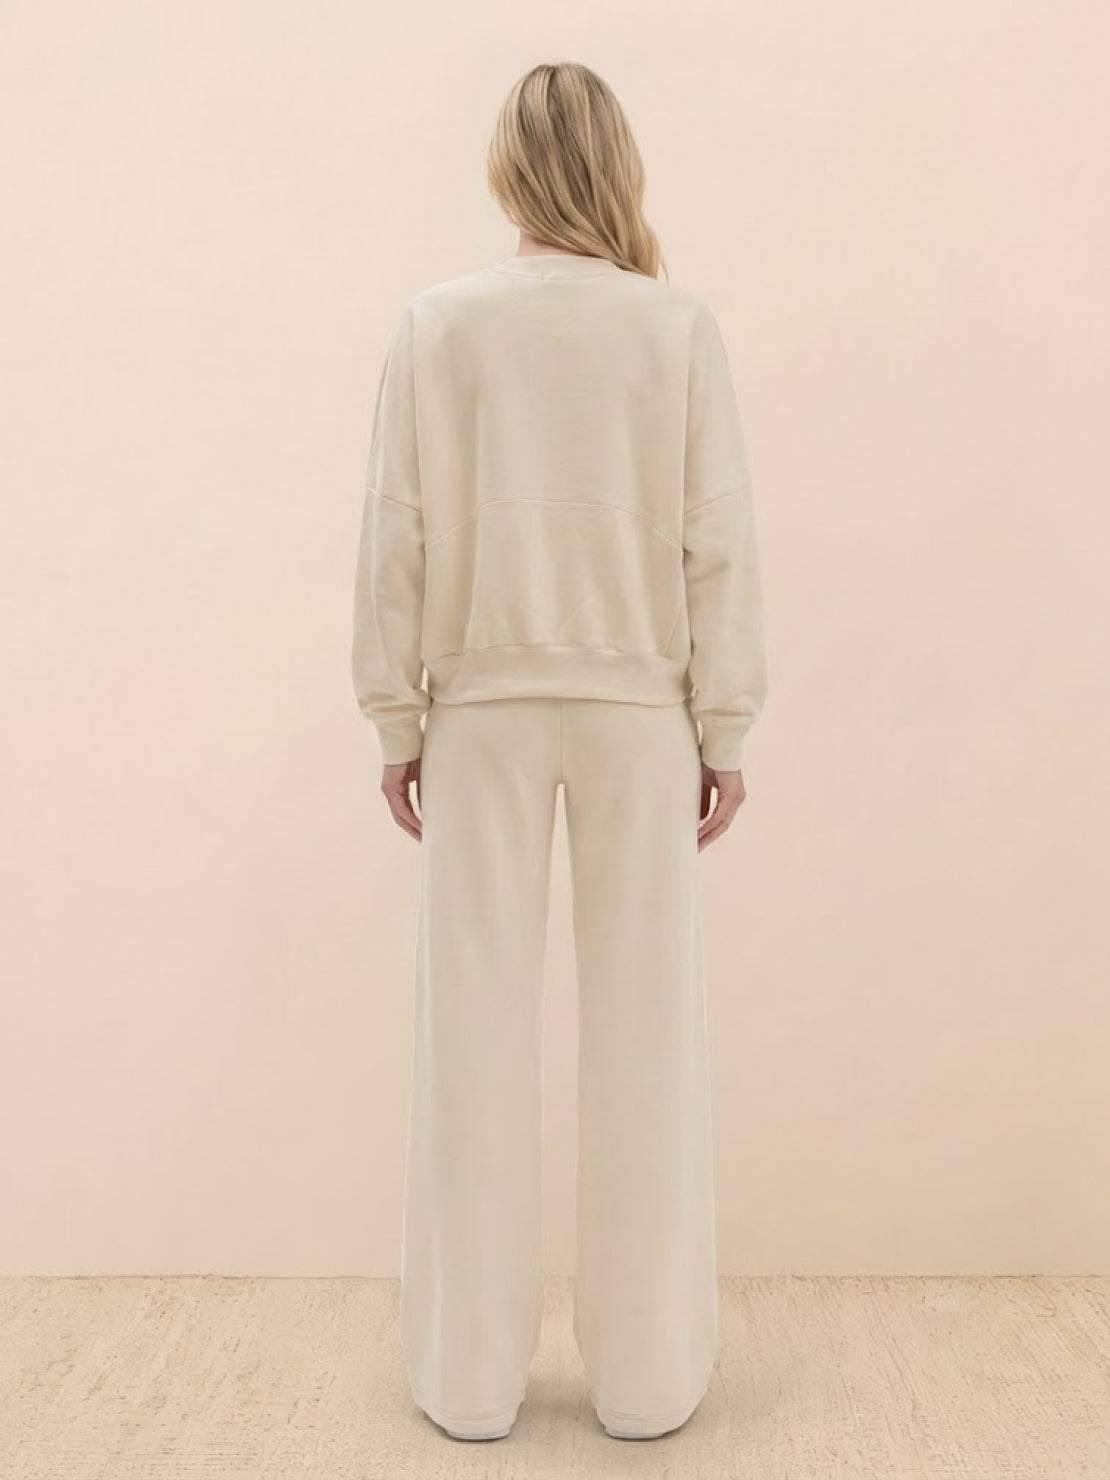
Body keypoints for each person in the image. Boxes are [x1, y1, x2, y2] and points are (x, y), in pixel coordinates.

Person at [351, 60, 767, 1444]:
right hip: (640, 713)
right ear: (615, 163)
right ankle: (648, 1379)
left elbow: (396, 533)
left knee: (469, 1034)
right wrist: (724, 723)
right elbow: (716, 539)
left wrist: (396, 717)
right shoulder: (673, 328)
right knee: (648, 1036)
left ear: (506, 169)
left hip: (480, 709)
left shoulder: (439, 326)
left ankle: (467, 1378)